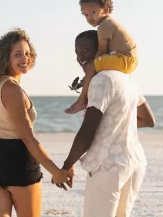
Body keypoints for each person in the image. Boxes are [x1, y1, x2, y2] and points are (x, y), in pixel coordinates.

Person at [58, 30, 155, 217]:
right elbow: (147, 120)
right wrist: (115, 121)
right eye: (77, 52)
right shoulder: (126, 78)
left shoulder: (101, 80)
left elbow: (88, 130)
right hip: (133, 164)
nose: (80, 57)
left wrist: (66, 165)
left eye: (85, 49)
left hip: (108, 168)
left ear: (102, 49)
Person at [0, 28, 73, 217]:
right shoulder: (12, 89)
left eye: (28, 53)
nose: (25, 58)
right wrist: (55, 171)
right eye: (18, 54)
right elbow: (27, 137)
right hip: (19, 164)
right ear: (5, 58)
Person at [65, 0, 138, 114]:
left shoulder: (104, 26)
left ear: (105, 10)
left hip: (124, 59)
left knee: (92, 65)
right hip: (127, 60)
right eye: (85, 15)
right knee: (94, 66)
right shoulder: (109, 24)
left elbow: (102, 50)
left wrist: (92, 69)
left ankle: (82, 100)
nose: (89, 18)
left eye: (93, 12)